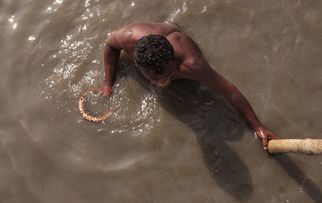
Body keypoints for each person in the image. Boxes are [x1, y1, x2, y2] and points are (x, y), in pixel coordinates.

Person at [100, 22, 278, 150]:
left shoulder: (192, 64)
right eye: (154, 77)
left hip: (176, 36)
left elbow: (229, 91)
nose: (161, 82)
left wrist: (258, 127)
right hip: (156, 40)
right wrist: (108, 83)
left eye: (167, 75)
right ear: (137, 63)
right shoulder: (129, 36)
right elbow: (109, 44)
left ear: (173, 60)